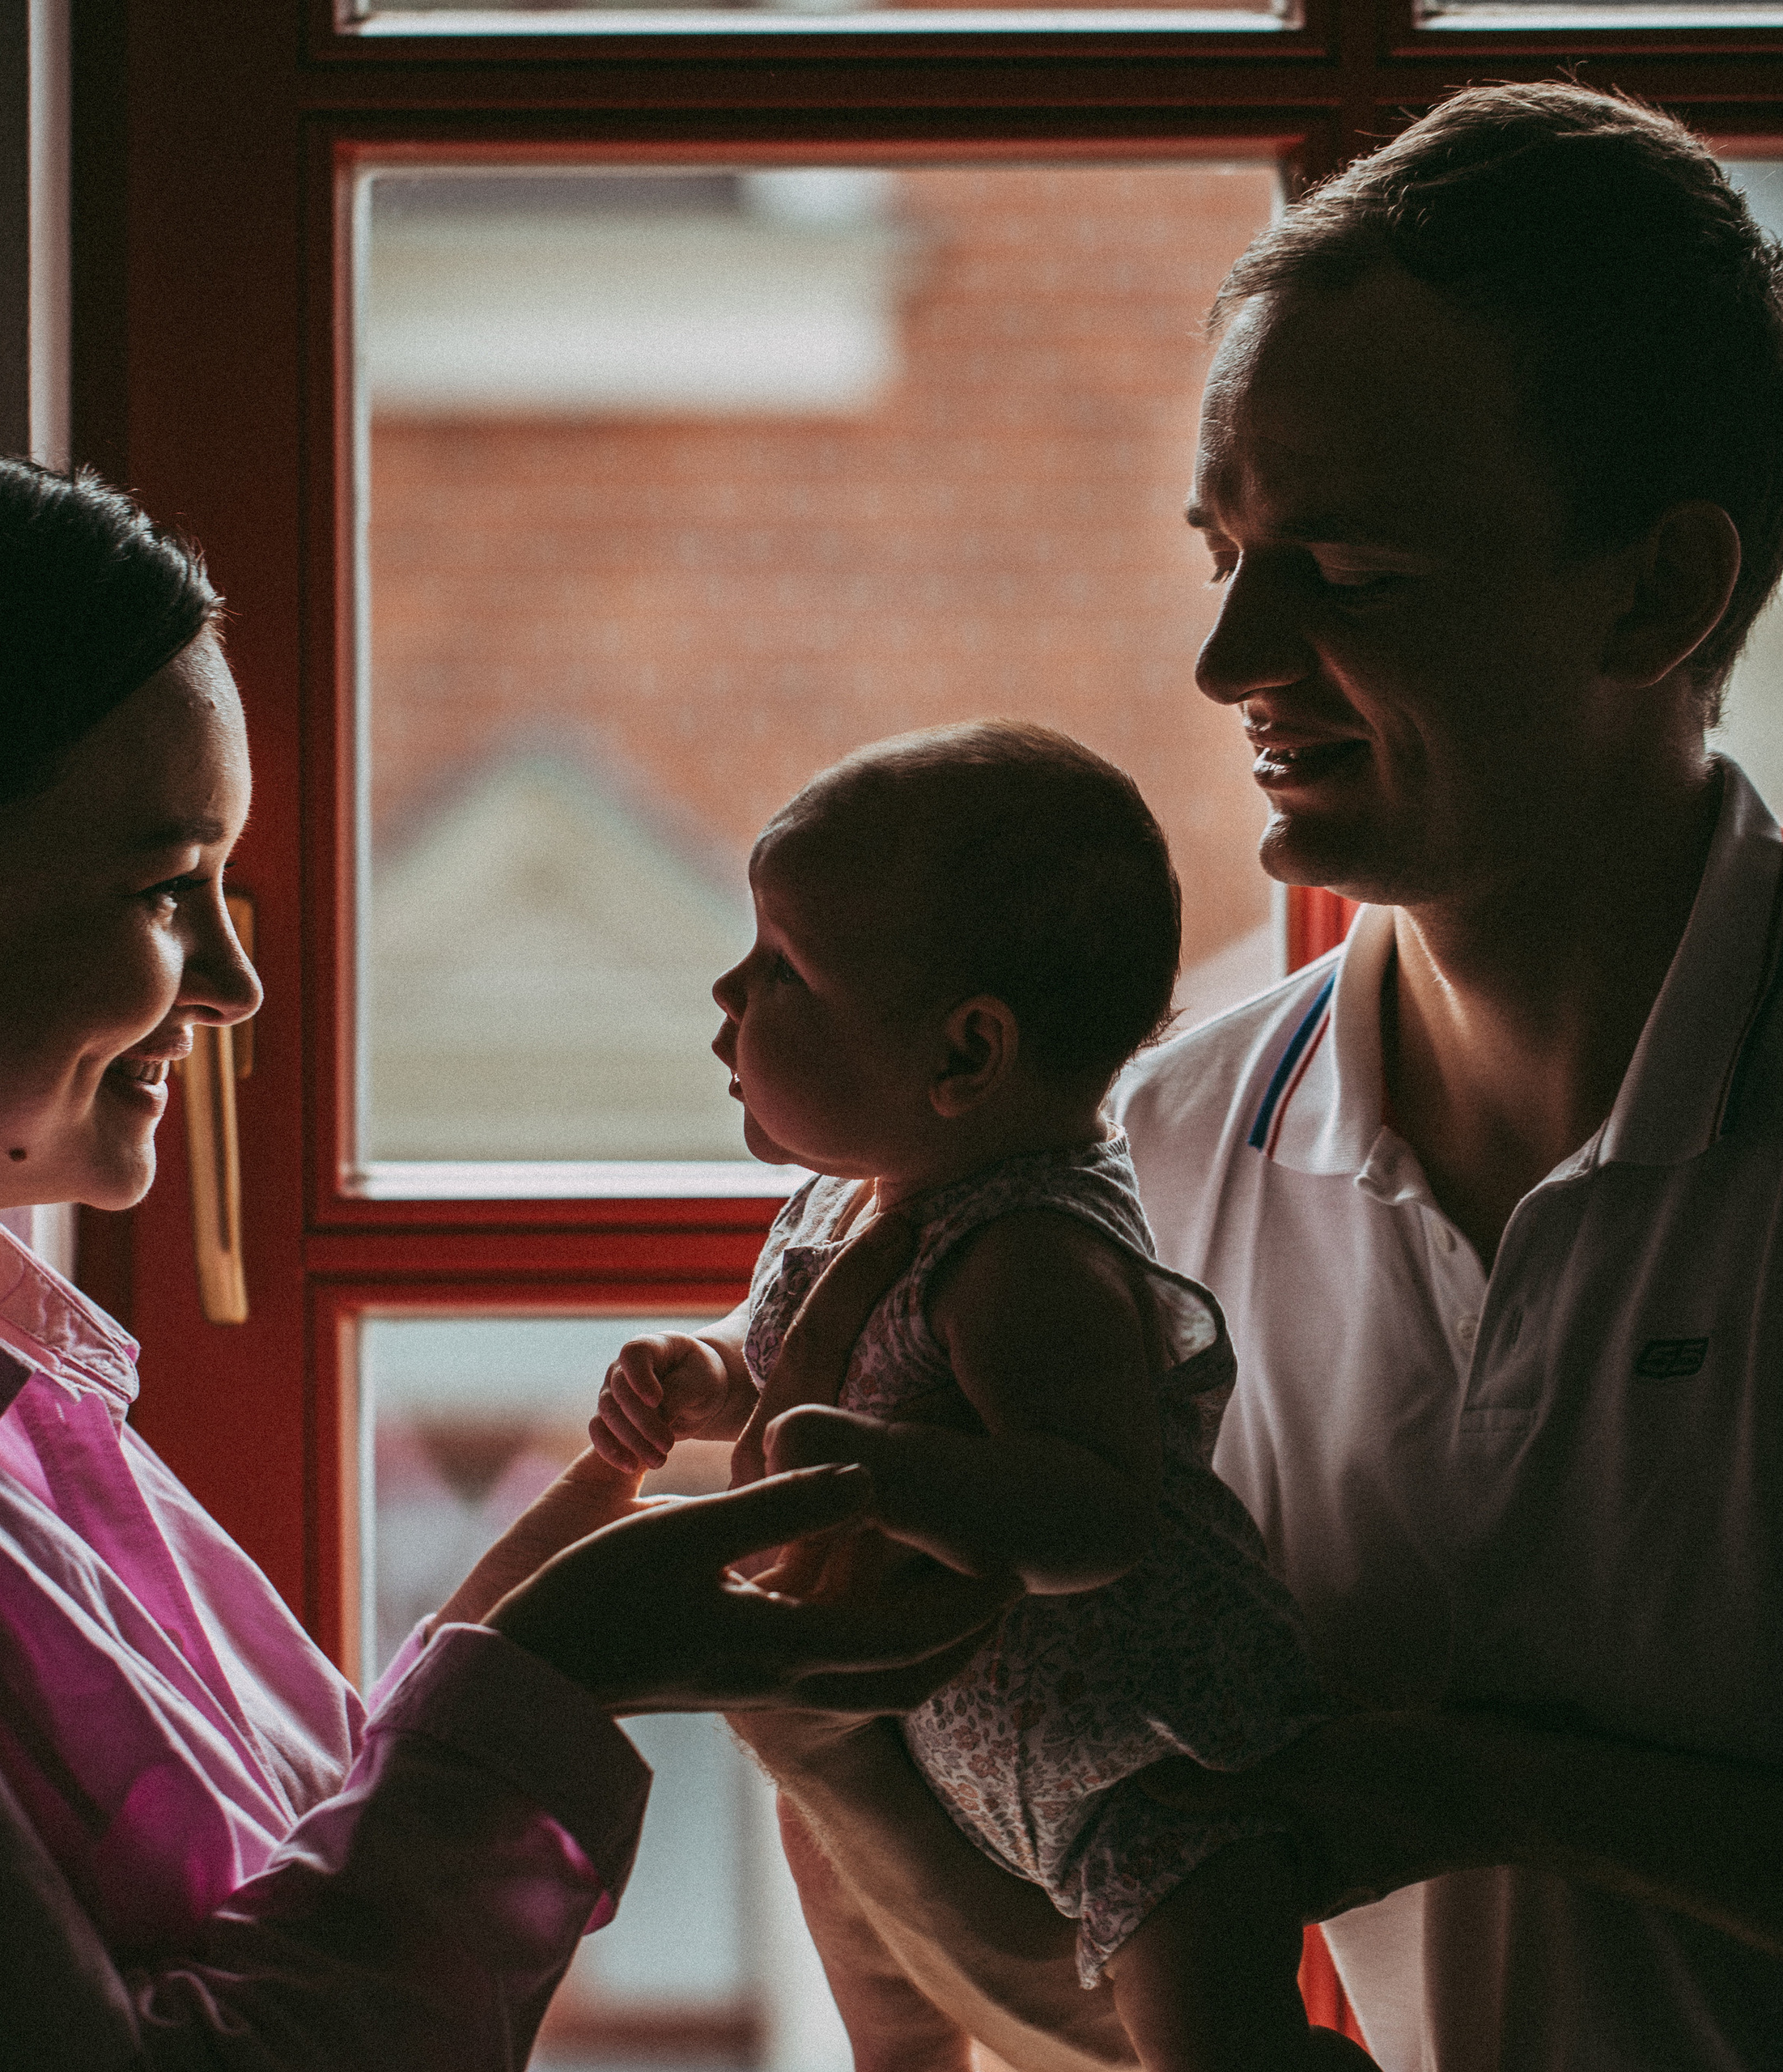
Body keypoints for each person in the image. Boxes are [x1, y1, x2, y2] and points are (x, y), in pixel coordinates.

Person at [0, 435, 1008, 2071]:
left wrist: (536, 1629)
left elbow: (305, 1858)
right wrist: (552, 1668)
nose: (236, 981)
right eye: (166, 885)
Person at [727, 82, 1783, 2072]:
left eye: (1350, 570)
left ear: (1656, 593)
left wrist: (1501, 1796)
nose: (1225, 660)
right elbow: (1076, 1987)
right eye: (1220, 548)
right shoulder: (1129, 1170)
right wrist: (825, 1740)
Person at [591, 723, 1363, 2070]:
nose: (729, 992)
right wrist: (705, 1371)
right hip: (949, 1752)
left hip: (1143, 1772)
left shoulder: (1029, 1255)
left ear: (965, 1055)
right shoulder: (856, 1198)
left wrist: (892, 1478)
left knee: (1222, 2046)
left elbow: (1097, 1512)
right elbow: (778, 1355)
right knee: (856, 1933)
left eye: (784, 970)